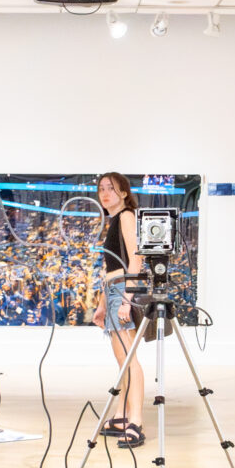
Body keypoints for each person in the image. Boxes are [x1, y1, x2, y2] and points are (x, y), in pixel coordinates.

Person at [93, 171, 147, 446]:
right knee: (122, 360)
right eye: (101, 188)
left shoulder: (126, 216)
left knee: (129, 359)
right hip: (113, 292)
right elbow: (112, 267)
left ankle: (135, 421)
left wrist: (126, 299)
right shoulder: (115, 220)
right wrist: (103, 304)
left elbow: (136, 259)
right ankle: (123, 416)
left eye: (111, 189)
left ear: (124, 193)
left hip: (122, 292)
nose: (105, 193)